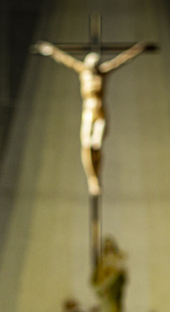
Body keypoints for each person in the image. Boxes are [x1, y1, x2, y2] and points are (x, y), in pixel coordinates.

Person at [33, 40, 148, 196]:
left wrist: (138, 49)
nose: (94, 70)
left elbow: (122, 59)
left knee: (96, 143)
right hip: (88, 112)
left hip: (100, 111)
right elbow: (65, 58)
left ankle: (97, 178)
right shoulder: (82, 71)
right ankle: (93, 180)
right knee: (87, 145)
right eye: (91, 66)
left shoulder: (104, 72)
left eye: (96, 66)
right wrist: (50, 49)